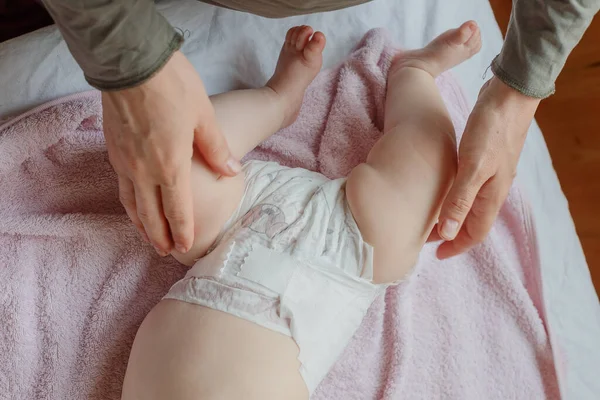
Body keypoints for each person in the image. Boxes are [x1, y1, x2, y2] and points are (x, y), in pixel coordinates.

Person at [41, 0, 600, 259]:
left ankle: (408, 74)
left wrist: (518, 91)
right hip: (328, 258)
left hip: (283, 259)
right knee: (180, 183)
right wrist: (132, 65)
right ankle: (281, 99)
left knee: (180, 198)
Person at [120, 21, 481, 399]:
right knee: (426, 171)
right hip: (348, 258)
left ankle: (277, 99)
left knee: (174, 178)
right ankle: (415, 75)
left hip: (231, 232)